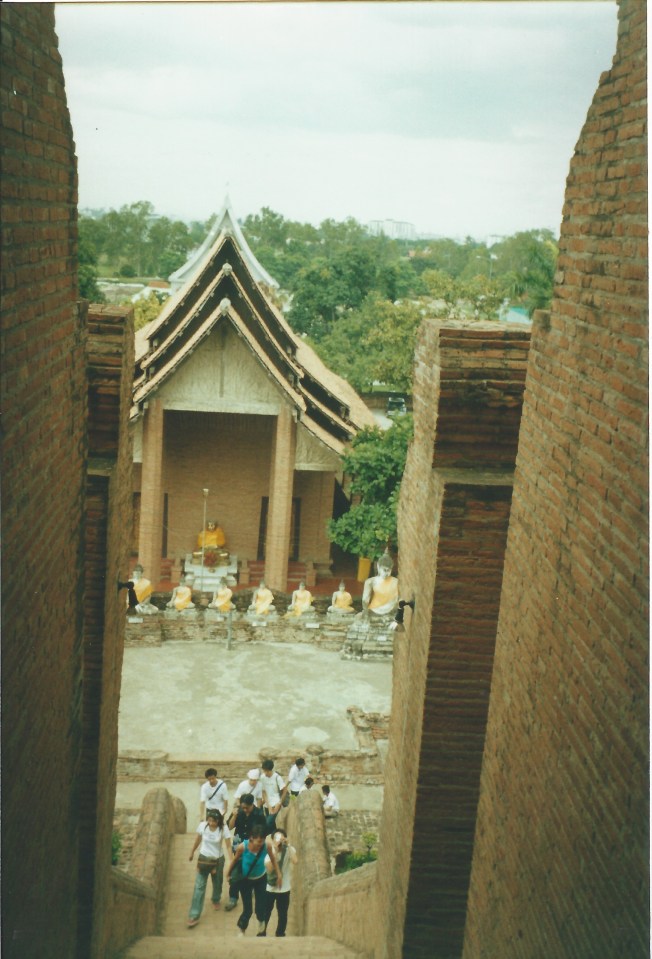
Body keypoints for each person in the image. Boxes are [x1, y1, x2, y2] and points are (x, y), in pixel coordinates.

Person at [225, 826, 279, 937]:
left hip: (261, 879)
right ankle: (242, 929)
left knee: (261, 906)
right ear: (251, 838)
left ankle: (261, 923)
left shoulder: (266, 846)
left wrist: (279, 874)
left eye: (262, 840)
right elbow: (235, 860)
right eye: (258, 841)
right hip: (245, 881)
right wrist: (228, 873)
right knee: (247, 909)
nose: (260, 844)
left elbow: (273, 859)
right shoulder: (242, 847)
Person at [186, 810, 233, 928]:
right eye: (209, 820)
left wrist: (232, 861)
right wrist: (192, 852)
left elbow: (228, 845)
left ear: (218, 821)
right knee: (199, 887)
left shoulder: (223, 828)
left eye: (214, 821)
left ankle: (216, 899)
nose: (211, 823)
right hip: (203, 860)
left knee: (217, 883)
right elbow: (198, 839)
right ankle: (194, 915)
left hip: (217, 861)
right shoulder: (203, 826)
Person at [224, 793, 267, 911]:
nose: (244, 810)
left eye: (247, 807)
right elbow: (229, 827)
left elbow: (264, 832)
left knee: (250, 868)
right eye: (243, 807)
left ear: (252, 804)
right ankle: (233, 897)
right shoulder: (238, 811)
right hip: (238, 843)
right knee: (236, 870)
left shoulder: (259, 814)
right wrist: (234, 816)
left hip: (252, 845)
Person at [260, 828, 297, 938]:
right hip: (270, 888)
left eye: (280, 837)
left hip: (284, 888)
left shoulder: (289, 849)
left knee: (283, 913)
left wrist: (288, 845)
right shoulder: (269, 851)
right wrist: (275, 851)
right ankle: (262, 932)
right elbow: (270, 869)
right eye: (276, 837)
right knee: (266, 912)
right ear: (272, 840)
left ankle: (280, 933)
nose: (279, 840)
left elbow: (295, 861)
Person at [361, 550, 399, 617]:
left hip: (390, 613)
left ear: (391, 569)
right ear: (378, 567)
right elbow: (365, 600)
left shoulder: (396, 582)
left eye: (388, 570)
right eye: (384, 570)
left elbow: (398, 601)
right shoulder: (370, 582)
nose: (386, 573)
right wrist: (366, 613)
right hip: (375, 610)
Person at [260, 759, 287, 834]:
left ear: (270, 770)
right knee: (271, 826)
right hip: (267, 804)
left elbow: (284, 790)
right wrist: (268, 805)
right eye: (264, 771)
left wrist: (279, 803)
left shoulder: (277, 777)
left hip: (276, 803)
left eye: (266, 771)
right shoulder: (262, 777)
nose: (265, 773)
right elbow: (264, 792)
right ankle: (274, 836)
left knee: (268, 823)